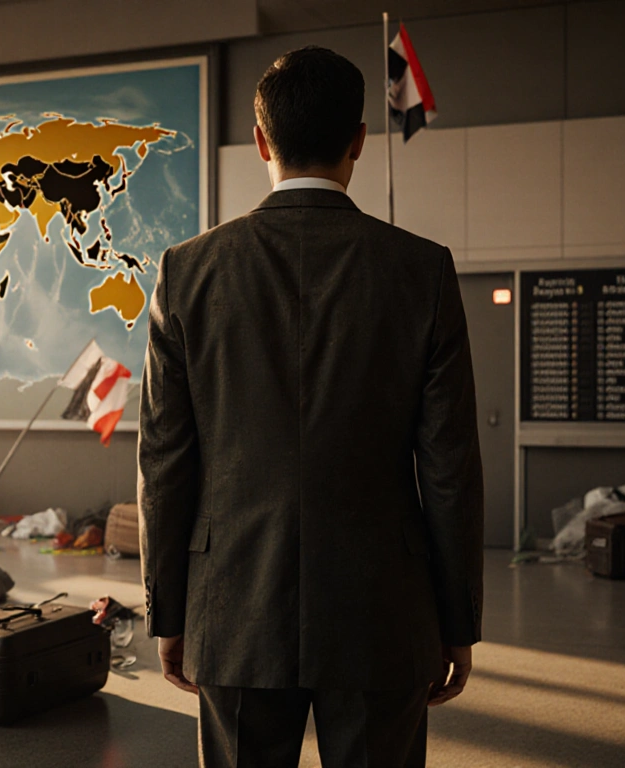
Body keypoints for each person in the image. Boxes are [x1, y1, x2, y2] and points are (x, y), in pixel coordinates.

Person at [138, 45, 484, 767]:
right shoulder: (421, 270)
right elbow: (449, 467)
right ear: (359, 139)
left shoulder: (186, 272)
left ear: (261, 142)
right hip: (383, 613)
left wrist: (169, 609)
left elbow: (165, 462)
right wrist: (457, 621)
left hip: (231, 608)